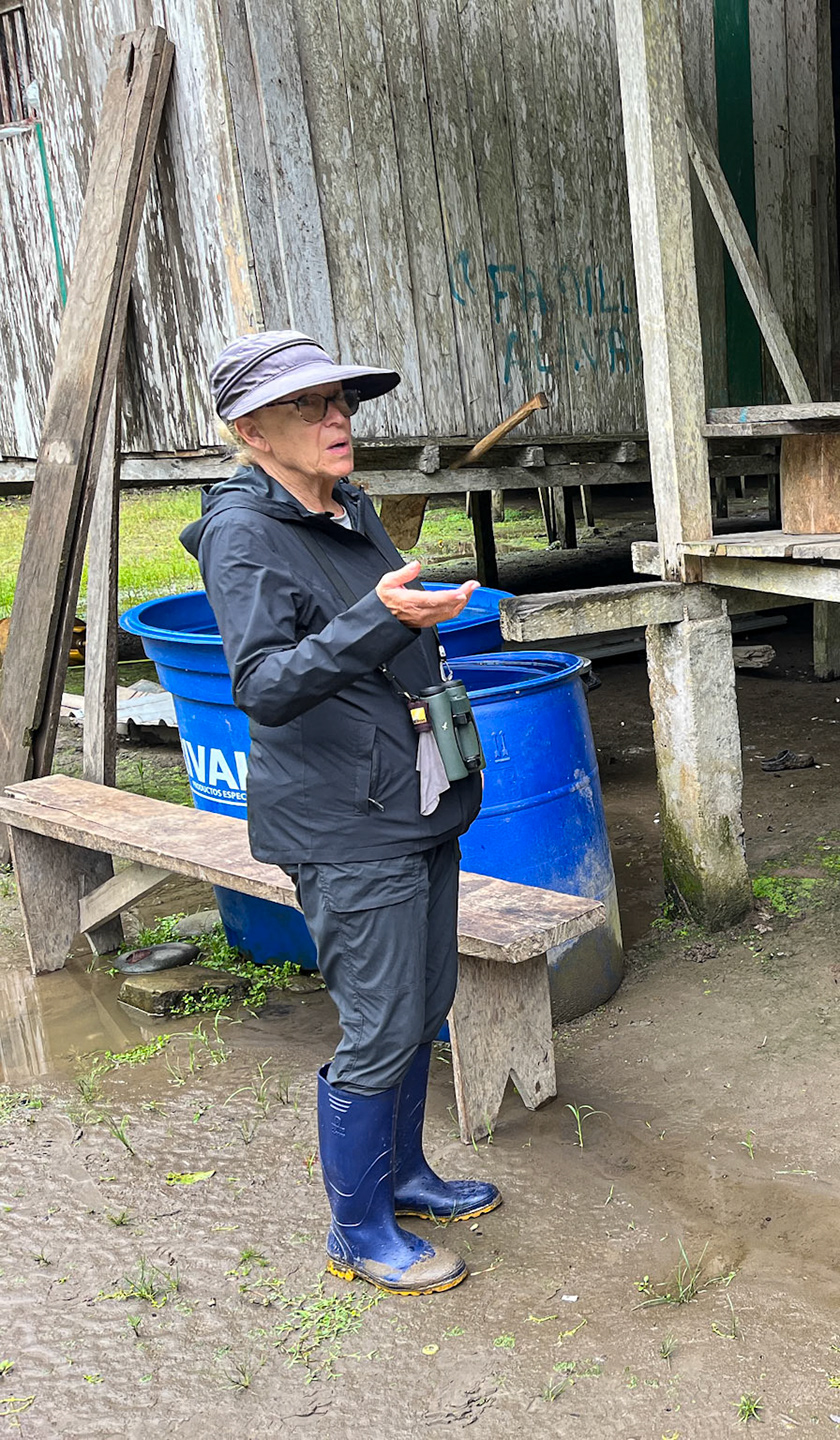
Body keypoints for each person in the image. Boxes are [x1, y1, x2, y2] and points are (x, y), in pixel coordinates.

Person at [181, 331, 494, 1295]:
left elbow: (368, 619)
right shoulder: (244, 533)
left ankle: (400, 1174)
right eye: (308, 406)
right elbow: (264, 685)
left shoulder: (346, 504)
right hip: (343, 821)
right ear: (249, 429)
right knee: (381, 1022)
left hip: (409, 798)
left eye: (342, 402)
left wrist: (408, 620)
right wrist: (379, 622)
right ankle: (358, 1231)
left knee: (422, 1003)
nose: (336, 420)